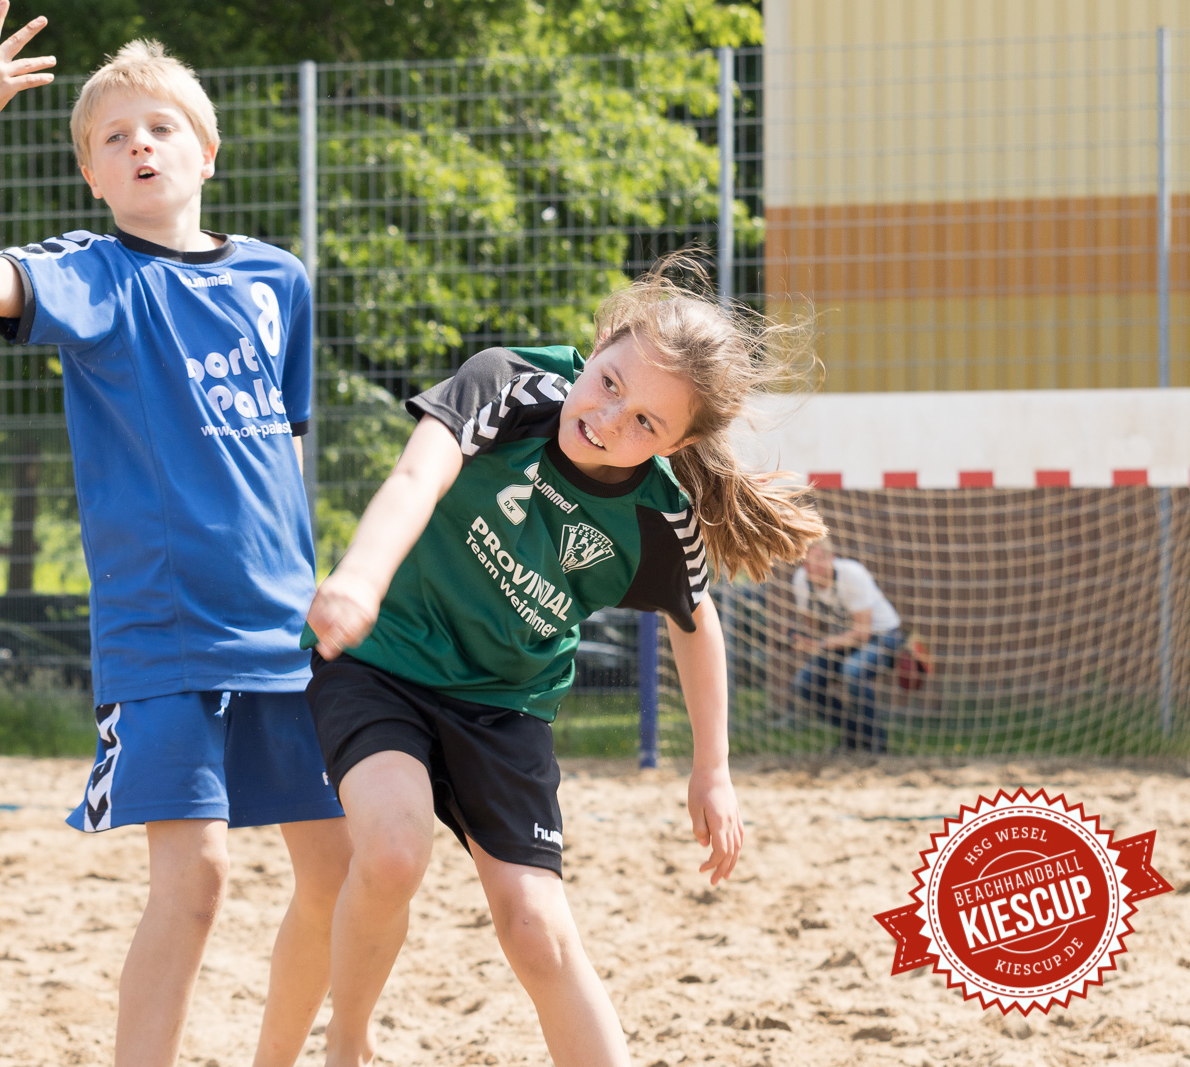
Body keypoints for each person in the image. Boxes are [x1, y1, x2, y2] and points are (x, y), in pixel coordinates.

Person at [0, 7, 349, 1066]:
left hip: (285, 632)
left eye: (160, 128)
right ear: (92, 175)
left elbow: (287, 446)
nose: (140, 146)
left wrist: (315, 588)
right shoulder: (94, 275)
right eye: (114, 137)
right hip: (166, 633)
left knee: (342, 868)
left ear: (206, 151)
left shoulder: (277, 279)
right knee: (196, 879)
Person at [303, 259, 826, 1067]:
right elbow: (415, 477)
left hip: (505, 707)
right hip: (384, 662)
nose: (610, 419)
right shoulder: (506, 385)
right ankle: (348, 1041)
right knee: (393, 851)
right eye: (610, 383)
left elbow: (697, 624)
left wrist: (712, 769)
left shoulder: (657, 518)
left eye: (646, 421)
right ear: (601, 341)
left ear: (679, 444)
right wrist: (360, 579)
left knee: (536, 928)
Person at [788, 538, 905, 753]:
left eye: (819, 559)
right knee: (804, 684)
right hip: (842, 641)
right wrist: (801, 639)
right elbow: (811, 626)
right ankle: (853, 737)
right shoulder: (802, 581)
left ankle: (876, 746)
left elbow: (862, 633)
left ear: (832, 558)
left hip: (883, 636)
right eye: (807, 562)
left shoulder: (852, 575)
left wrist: (820, 644)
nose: (813, 566)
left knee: (852, 671)